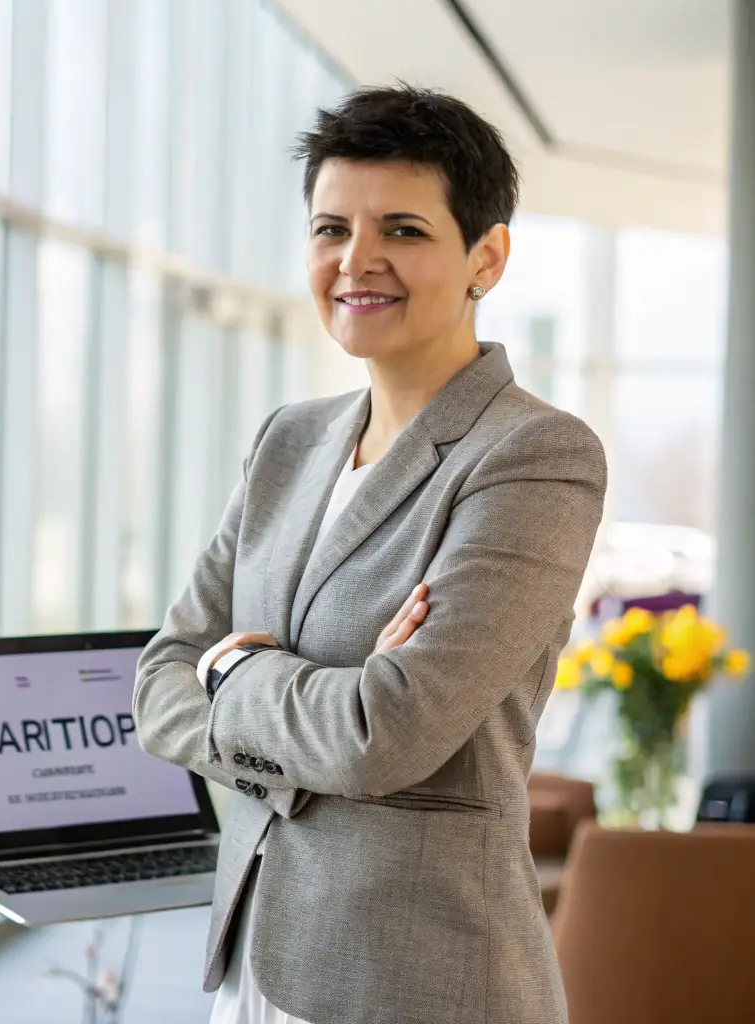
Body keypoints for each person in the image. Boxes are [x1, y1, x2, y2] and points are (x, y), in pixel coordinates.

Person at [132, 85, 606, 1024]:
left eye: (402, 229)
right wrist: (294, 690)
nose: (357, 262)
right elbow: (157, 684)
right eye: (329, 229)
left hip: (417, 976)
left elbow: (385, 732)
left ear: (487, 256)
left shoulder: (532, 457)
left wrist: (232, 669)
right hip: (255, 965)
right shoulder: (288, 443)